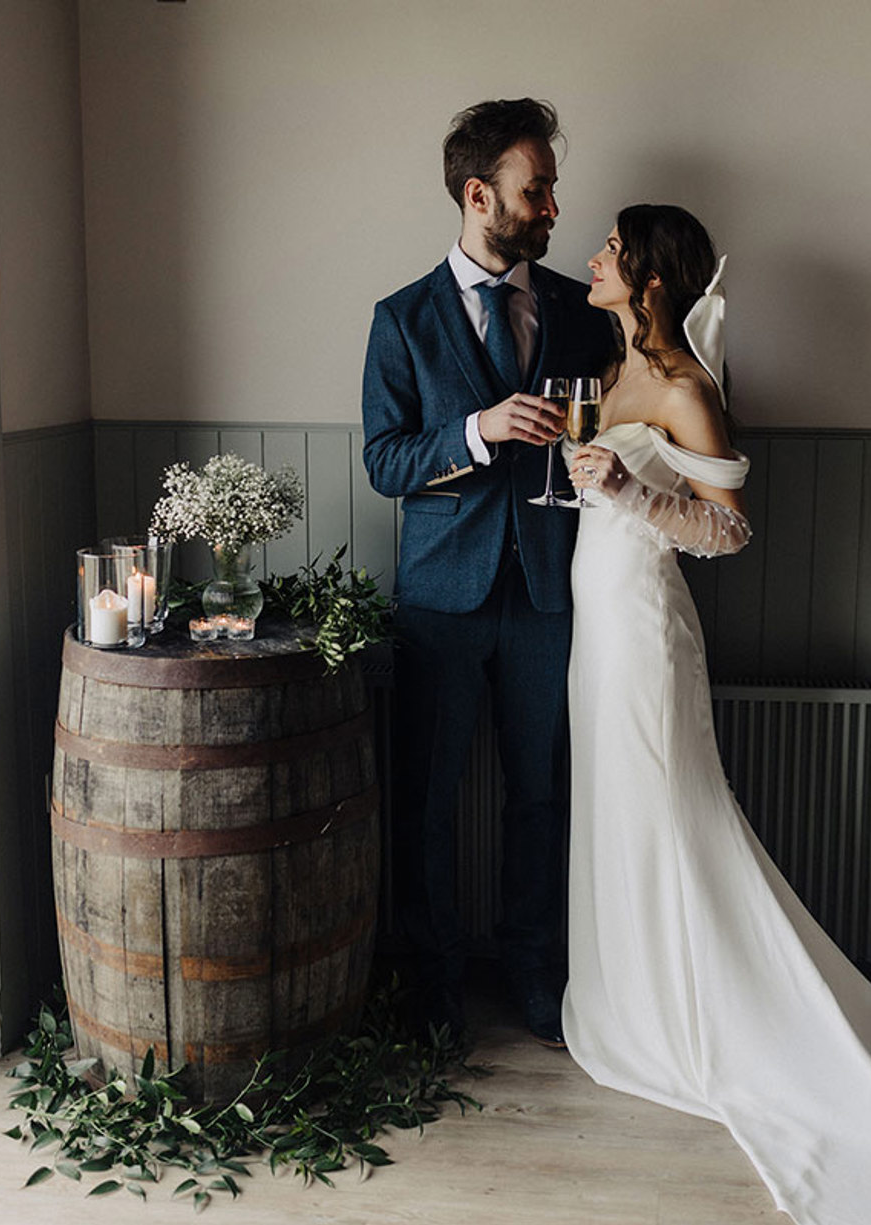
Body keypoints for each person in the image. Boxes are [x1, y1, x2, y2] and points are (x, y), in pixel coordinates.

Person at [561, 202, 871, 1224]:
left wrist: (625, 488)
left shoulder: (684, 387)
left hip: (645, 630)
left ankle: (711, 1018)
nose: (593, 257)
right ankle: (626, 1004)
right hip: (595, 626)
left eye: (611, 252)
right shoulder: (614, 369)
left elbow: (727, 530)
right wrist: (594, 475)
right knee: (618, 812)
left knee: (675, 815)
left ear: (651, 281)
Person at [362, 98, 615, 1044]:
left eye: (549, 186)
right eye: (534, 188)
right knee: (427, 799)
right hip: (440, 602)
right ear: (480, 195)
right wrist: (476, 428)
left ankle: (536, 972)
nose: (552, 204)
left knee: (541, 792)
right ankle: (431, 984)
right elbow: (383, 462)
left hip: (552, 592)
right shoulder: (401, 319)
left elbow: (623, 412)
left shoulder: (573, 311)